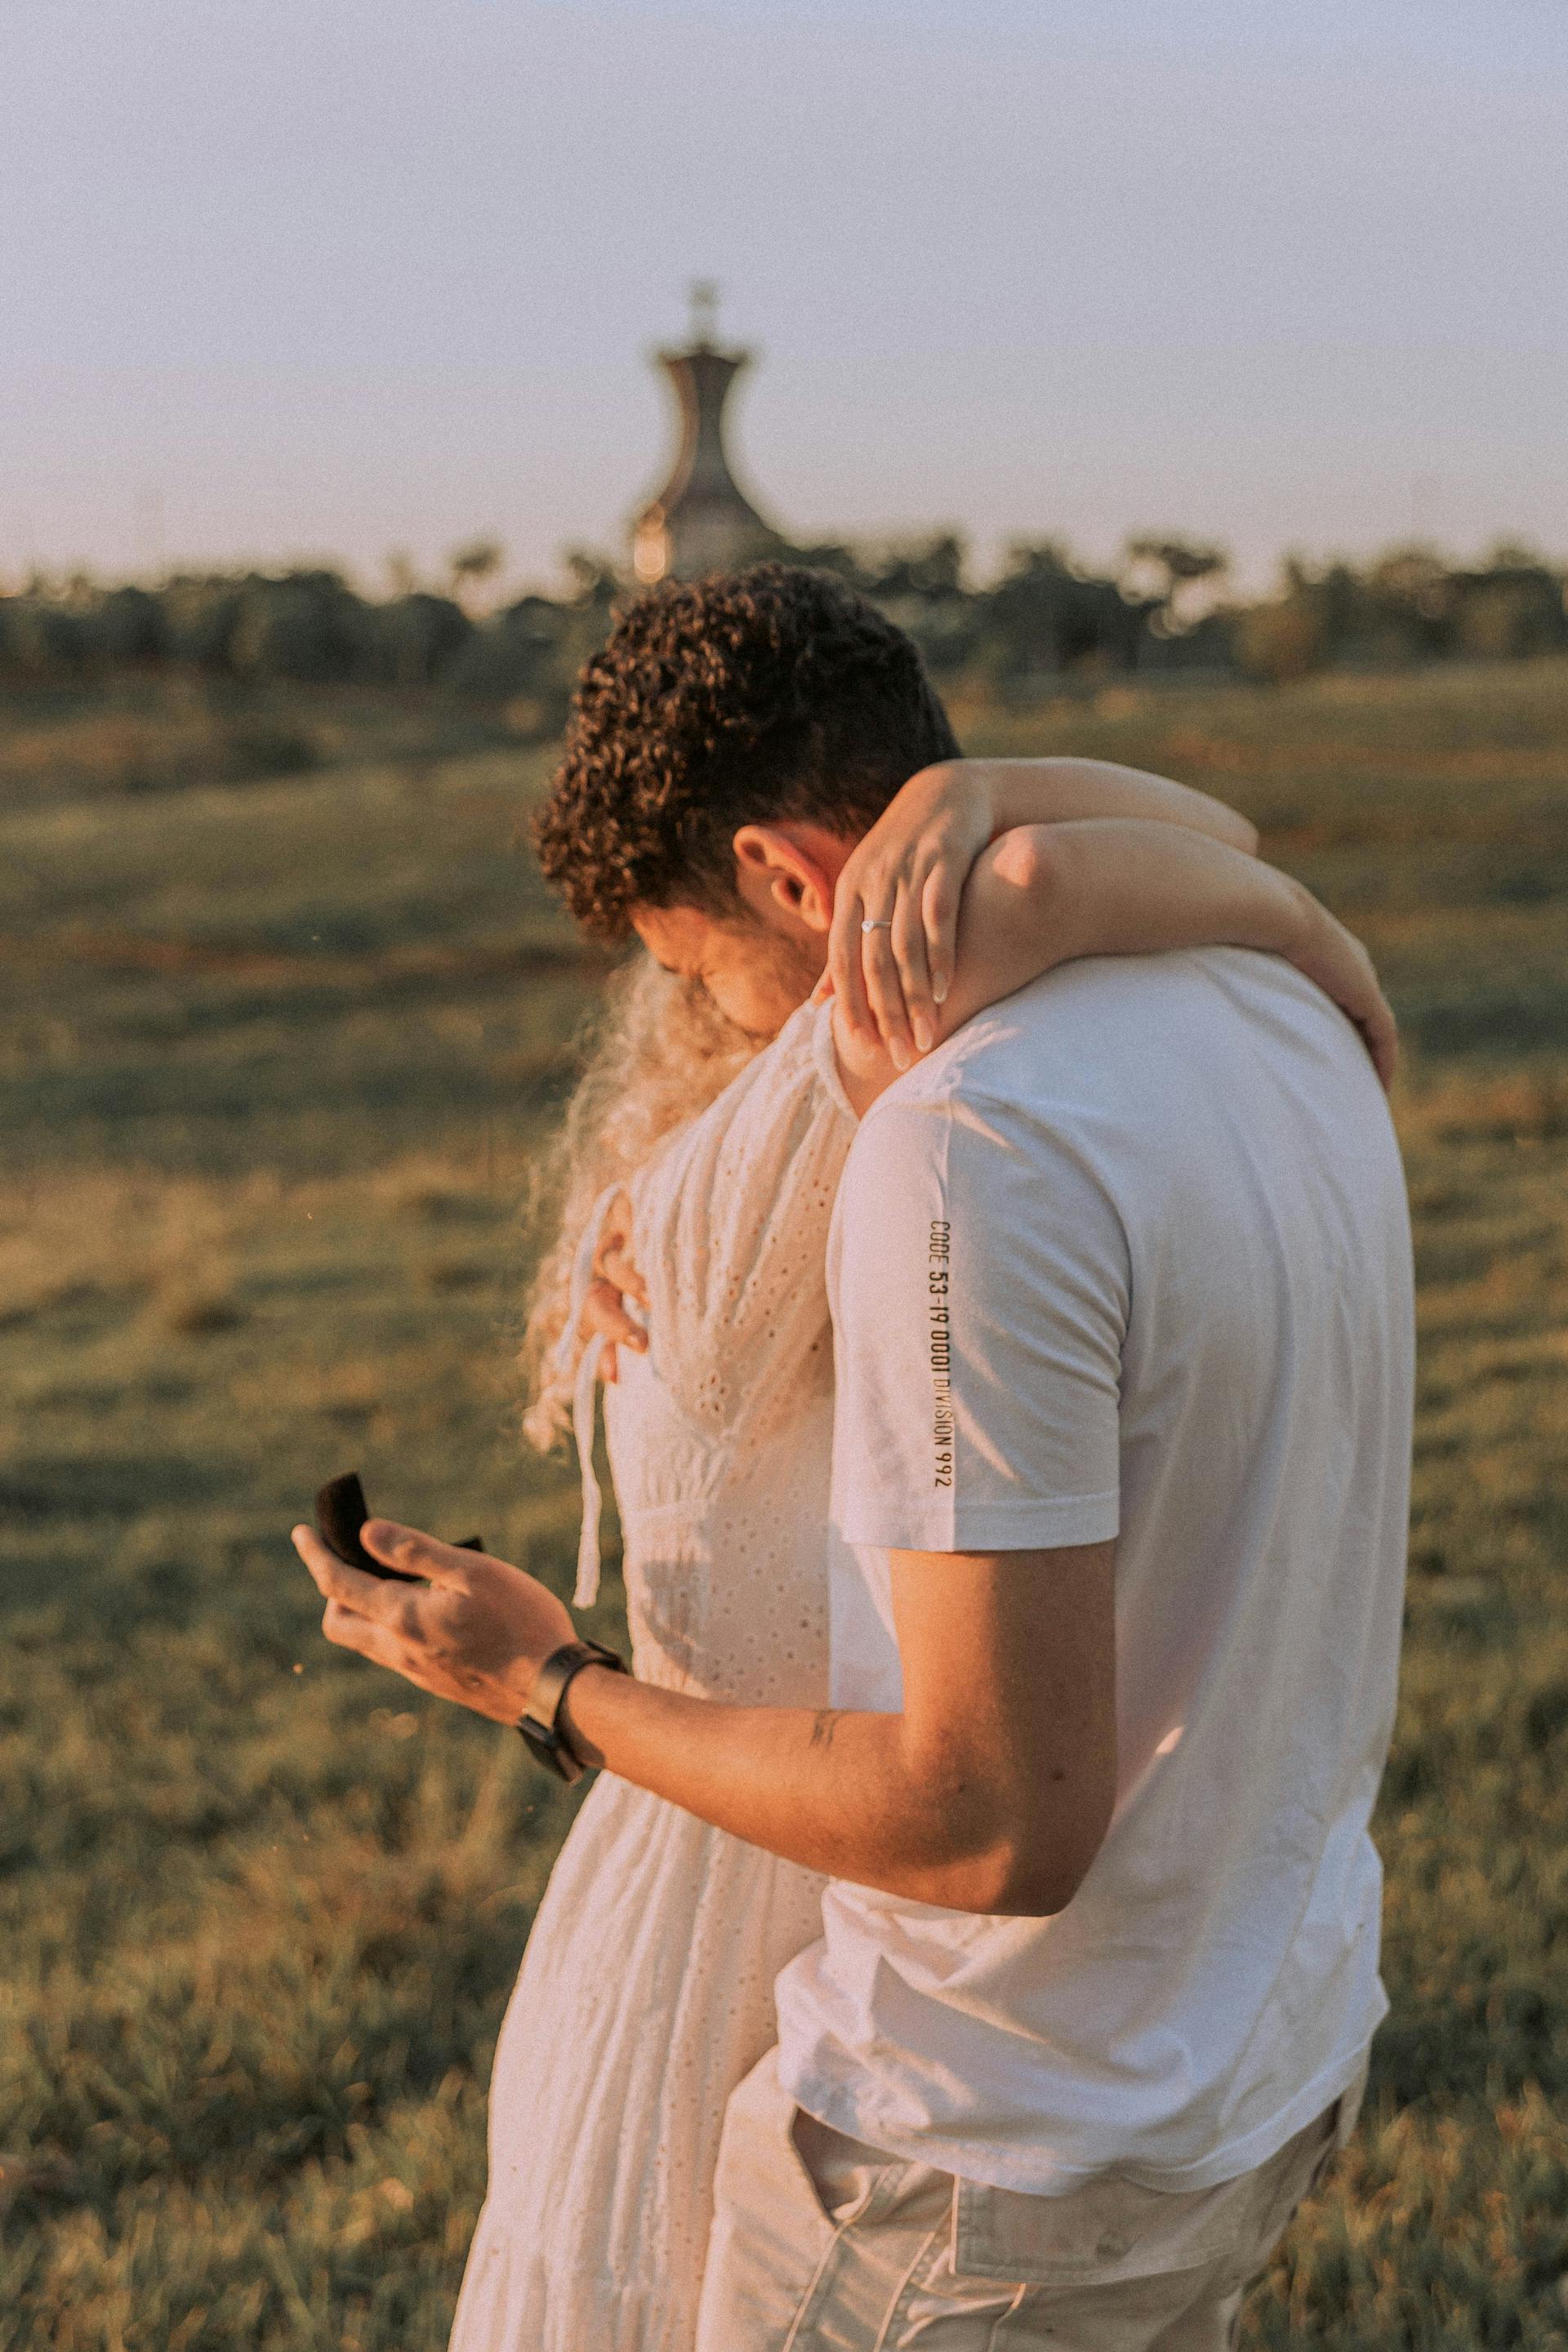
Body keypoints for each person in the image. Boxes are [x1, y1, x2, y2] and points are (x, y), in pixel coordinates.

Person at [294, 566, 1412, 2352]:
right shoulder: (1275, 1006)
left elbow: (989, 1819)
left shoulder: (962, 1138)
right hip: (1261, 2055)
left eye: (699, 976)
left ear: (788, 881)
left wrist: (546, 1680)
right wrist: (1252, 902)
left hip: (986, 2146)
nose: (725, 1038)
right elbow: (1181, 841)